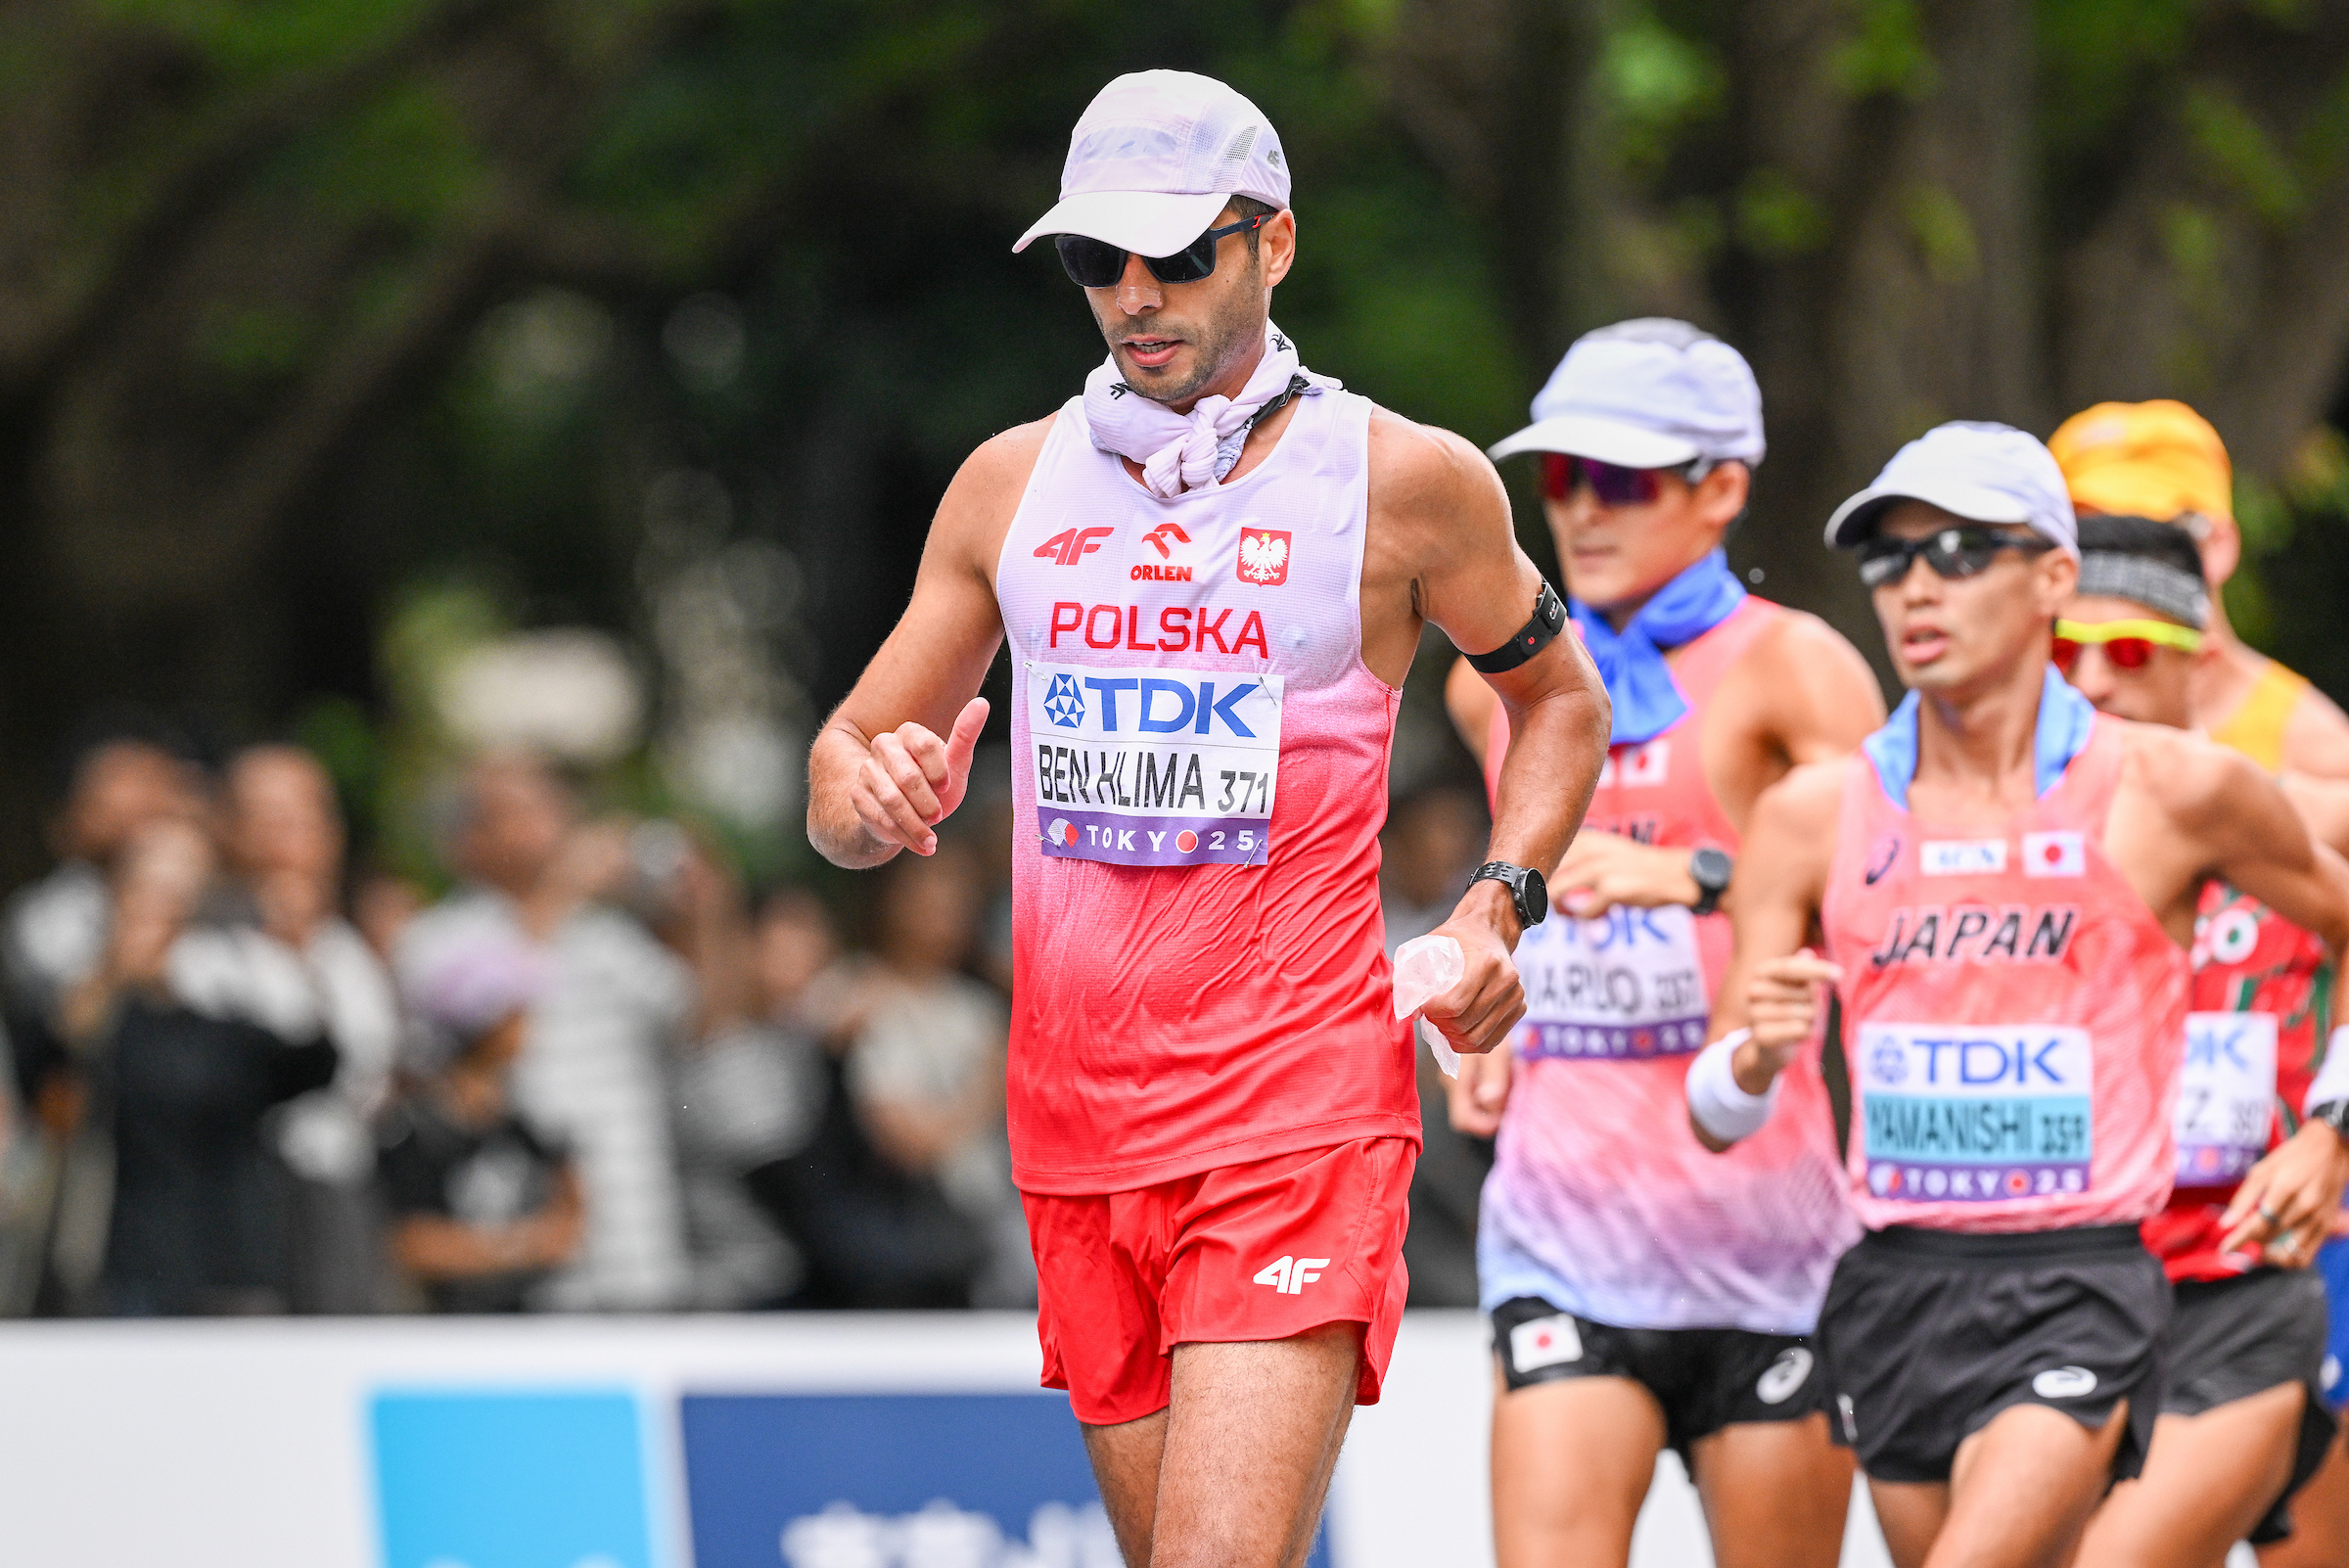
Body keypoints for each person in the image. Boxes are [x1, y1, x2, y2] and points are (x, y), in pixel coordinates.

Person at [806, 69, 1609, 1568]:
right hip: (1076, 1132)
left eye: (1177, 253)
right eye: (1095, 257)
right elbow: (847, 767)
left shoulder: (1404, 480)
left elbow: (1561, 697)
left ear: (1274, 243)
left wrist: (1498, 899)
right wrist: (862, 797)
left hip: (1295, 1112)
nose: (1134, 293)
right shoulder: (1007, 486)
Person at [1691, 421, 2349, 1568]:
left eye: (1957, 553)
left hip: (2103, 1279)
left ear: (2052, 577)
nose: (1916, 587)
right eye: (1890, 560)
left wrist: (2333, 1130)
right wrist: (1752, 1060)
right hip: (1897, 1285)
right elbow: (1712, 1113)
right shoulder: (1813, 814)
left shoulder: (2178, 790)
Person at [1442, 320, 1884, 1568]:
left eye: (1621, 479)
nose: (1581, 508)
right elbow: (1512, 903)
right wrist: (1485, 1010)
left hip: (1768, 1241)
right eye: (1561, 475)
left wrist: (1697, 877)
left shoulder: (1799, 668)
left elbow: (1903, 904)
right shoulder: (1491, 684)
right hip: (1563, 1234)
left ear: (1723, 487)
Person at [2051, 401, 2349, 1568]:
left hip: (2283, 1235)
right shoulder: (2031, 741)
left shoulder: (2312, 751)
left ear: (2212, 545)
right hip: (2092, 1237)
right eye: (2081, 526)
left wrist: (2333, 1131)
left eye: (2143, 525)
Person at [396, 751, 699, 1311]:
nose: (542, 826)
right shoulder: (436, 938)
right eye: (516, 811)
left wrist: (698, 907)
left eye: (549, 807)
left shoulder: (611, 936)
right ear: (468, 840)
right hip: (521, 1269)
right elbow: (485, 1013)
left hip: (638, 1249)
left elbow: (700, 1020)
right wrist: (563, 892)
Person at [34, 818, 340, 1314]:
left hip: (234, 1263)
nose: (165, 915)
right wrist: (114, 974)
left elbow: (315, 1069)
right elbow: (56, 1077)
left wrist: (297, 955)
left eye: (181, 898)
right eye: (150, 894)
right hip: (121, 1269)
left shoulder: (230, 1011)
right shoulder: (103, 1014)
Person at [177, 745, 400, 1313]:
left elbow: (371, 1079)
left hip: (345, 1196)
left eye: (304, 817)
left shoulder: (350, 953)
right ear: (228, 831)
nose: (288, 839)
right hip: (247, 1209)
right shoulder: (201, 953)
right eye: (268, 819)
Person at [2049, 400, 2349, 777]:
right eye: (2084, 535)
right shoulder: (2021, 716)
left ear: (2219, 545)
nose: (2109, 558)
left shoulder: (2317, 755)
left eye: (2145, 535)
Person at [379, 939, 583, 1313]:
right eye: (516, 1012)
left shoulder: (524, 1123)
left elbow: (569, 1222)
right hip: (445, 1326)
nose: (528, 1024)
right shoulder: (414, 1129)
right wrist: (521, 1244)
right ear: (484, 1022)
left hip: (523, 1320)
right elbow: (412, 1245)